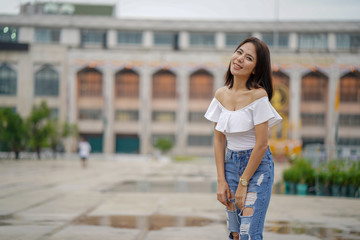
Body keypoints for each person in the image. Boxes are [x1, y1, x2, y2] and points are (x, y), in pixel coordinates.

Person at [204, 37, 282, 240]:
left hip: (257, 168)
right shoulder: (220, 95)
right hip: (230, 164)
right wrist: (221, 180)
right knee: (236, 233)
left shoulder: (258, 96)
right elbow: (219, 139)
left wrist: (244, 182)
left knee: (248, 234)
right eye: (239, 52)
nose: (239, 59)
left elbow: (262, 144)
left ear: (256, 69)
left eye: (248, 58)